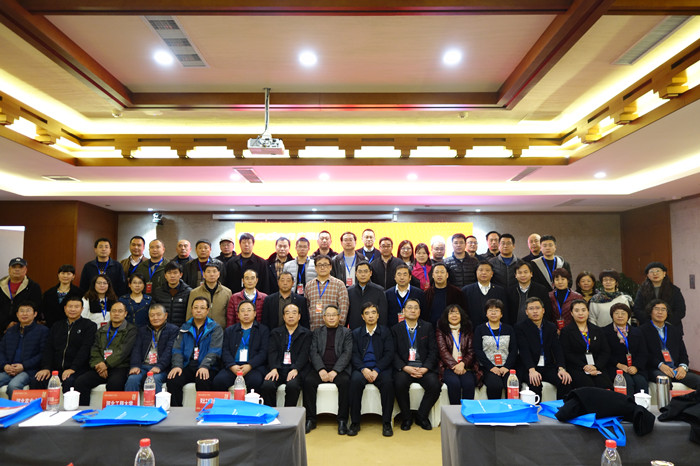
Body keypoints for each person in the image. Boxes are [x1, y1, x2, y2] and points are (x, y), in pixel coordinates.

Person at [74, 301, 137, 406]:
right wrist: (98, 363)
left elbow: (123, 352)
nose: (116, 314)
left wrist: (106, 364)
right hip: (101, 367)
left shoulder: (131, 330)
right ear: (110, 313)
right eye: (114, 311)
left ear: (125, 314)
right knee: (81, 382)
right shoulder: (102, 330)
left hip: (120, 367)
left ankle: (113, 413)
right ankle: (84, 411)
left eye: (120, 311)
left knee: (115, 384)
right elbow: (94, 349)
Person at [303, 304, 353, 434]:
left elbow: (347, 353)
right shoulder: (317, 332)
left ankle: (342, 420)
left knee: (346, 382)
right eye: (328, 315)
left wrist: (335, 371)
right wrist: (321, 369)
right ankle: (310, 419)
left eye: (334, 315)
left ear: (339, 317)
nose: (331, 318)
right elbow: (313, 352)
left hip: (339, 370)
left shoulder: (346, 332)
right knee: (308, 381)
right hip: (321, 369)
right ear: (324, 317)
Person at [392, 298, 440, 430]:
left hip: (423, 367)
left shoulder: (427, 327)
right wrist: (405, 367)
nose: (412, 310)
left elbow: (433, 351)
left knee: (435, 385)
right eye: (409, 307)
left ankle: (421, 416)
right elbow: (393, 353)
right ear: (403, 311)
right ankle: (406, 418)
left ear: (419, 311)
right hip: (405, 367)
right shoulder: (396, 329)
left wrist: (425, 368)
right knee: (399, 383)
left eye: (415, 308)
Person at [348, 303, 395, 437]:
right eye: (367, 313)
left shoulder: (385, 332)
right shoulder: (356, 333)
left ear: (378, 315)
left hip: (380, 369)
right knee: (354, 382)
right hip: (362, 369)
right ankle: (355, 422)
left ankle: (386, 422)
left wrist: (377, 369)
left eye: (373, 312)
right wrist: (363, 369)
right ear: (362, 317)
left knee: (388, 383)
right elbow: (354, 354)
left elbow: (389, 354)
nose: (370, 316)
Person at [167, 296, 223, 407]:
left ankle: (205, 411)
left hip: (208, 367)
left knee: (203, 378)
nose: (198, 310)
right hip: (188, 365)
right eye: (196, 307)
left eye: (202, 308)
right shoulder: (185, 327)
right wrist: (177, 366)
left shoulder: (215, 328)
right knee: (173, 379)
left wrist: (205, 366)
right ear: (191, 309)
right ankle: (176, 412)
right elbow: (177, 349)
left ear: (207, 310)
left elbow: (215, 350)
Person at [32, 295, 96, 392]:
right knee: (37, 380)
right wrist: (46, 368)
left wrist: (73, 368)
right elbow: (49, 348)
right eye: (70, 306)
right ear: (65, 308)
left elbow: (85, 349)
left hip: (78, 369)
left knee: (69, 382)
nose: (73, 309)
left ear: (82, 309)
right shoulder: (57, 326)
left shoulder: (89, 326)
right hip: (55, 370)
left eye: (76, 307)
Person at [515, 297, 572, 400]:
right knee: (535, 383)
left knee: (565, 381)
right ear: (526, 312)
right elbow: (524, 350)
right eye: (531, 309)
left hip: (547, 366)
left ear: (543, 310)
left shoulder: (551, 327)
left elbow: (557, 349)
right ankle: (535, 410)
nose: (535, 311)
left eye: (537, 308)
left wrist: (561, 368)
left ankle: (561, 408)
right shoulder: (520, 327)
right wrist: (531, 370)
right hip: (528, 367)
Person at [213, 300, 270, 395]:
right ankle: (224, 405)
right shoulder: (229, 330)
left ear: (255, 313)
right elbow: (225, 351)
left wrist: (250, 365)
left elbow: (263, 352)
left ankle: (252, 405)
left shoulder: (263, 330)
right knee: (219, 381)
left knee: (255, 381)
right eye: (242, 311)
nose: (246, 313)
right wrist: (232, 366)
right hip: (233, 367)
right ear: (238, 315)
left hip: (253, 367)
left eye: (249, 310)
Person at [640, 299, 700, 389]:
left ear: (667, 313)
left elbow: (683, 354)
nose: (660, 312)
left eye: (663, 309)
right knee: (664, 380)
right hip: (655, 368)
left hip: (675, 369)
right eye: (656, 309)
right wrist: (660, 365)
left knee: (698, 380)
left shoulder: (674, 330)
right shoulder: (642, 330)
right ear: (650, 312)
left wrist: (682, 367)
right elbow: (644, 354)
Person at [260, 303, 311, 407]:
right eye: (287, 313)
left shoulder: (306, 334)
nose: (290, 316)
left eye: (294, 313)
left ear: (299, 316)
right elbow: (272, 352)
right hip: (278, 368)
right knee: (267, 385)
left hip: (296, 369)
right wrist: (274, 368)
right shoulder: (275, 332)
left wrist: (296, 369)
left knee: (293, 386)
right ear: (283, 316)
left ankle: (288, 413)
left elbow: (304, 354)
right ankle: (272, 412)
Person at [125, 303, 179, 394]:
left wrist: (159, 366)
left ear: (165, 315)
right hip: (143, 366)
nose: (155, 318)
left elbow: (169, 350)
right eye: (152, 315)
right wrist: (135, 365)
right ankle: (130, 403)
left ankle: (155, 403)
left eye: (158, 314)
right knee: (132, 379)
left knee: (154, 379)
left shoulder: (173, 330)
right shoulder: (142, 330)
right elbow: (136, 349)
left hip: (162, 368)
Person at [559, 299, 612, 389]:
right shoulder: (566, 331)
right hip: (577, 367)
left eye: (583, 310)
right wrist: (584, 366)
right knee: (588, 386)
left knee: (605, 385)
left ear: (588, 312)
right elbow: (567, 353)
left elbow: (605, 351)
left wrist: (596, 366)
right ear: (571, 313)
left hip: (596, 366)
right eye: (576, 311)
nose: (580, 313)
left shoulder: (597, 330)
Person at [0, 302, 49, 398]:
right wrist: (5, 365)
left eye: (28, 311)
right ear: (17, 314)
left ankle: (17, 408)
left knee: (13, 386)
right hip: (9, 369)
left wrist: (23, 366)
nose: (24, 314)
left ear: (35, 314)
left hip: (29, 370)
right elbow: (1, 351)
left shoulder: (42, 331)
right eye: (21, 311)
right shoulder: (11, 331)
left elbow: (43, 354)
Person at [435, 304, 481, 404]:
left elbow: (471, 351)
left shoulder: (468, 329)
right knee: (454, 383)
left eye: (457, 313)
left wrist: (462, 364)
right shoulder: (441, 330)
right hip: (448, 367)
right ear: (446, 316)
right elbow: (443, 351)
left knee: (469, 383)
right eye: (451, 313)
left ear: (461, 315)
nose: (454, 315)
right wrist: (455, 366)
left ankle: (467, 411)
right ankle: (455, 412)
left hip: (466, 366)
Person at [473, 299, 518, 399]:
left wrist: (506, 367)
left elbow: (514, 350)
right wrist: (491, 367)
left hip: (506, 367)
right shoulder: (480, 329)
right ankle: (495, 408)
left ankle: (511, 408)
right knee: (495, 385)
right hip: (487, 367)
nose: (493, 313)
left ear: (501, 314)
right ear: (486, 314)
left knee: (511, 384)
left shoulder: (509, 329)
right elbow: (478, 350)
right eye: (490, 310)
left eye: (496, 310)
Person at [603, 303, 648, 395]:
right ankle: (627, 404)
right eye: (616, 313)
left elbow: (643, 353)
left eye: (623, 313)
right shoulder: (604, 332)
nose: (620, 316)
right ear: (612, 315)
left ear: (628, 316)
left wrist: (636, 367)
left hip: (634, 367)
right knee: (627, 382)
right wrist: (618, 365)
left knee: (640, 381)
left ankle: (641, 404)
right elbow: (604, 352)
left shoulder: (637, 331)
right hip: (614, 367)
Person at [633, 262, 686, 333]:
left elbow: (680, 310)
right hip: (648, 328)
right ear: (648, 275)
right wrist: (652, 323)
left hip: (671, 327)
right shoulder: (642, 290)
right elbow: (637, 309)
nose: (655, 274)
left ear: (664, 273)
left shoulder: (674, 290)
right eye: (652, 272)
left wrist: (665, 323)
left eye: (658, 271)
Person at [305, 255, 349, 331]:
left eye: (325, 265)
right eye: (319, 265)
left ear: (330, 267)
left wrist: (339, 327)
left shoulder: (339, 284)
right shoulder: (309, 285)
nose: (322, 268)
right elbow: (306, 307)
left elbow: (343, 308)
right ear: (315, 268)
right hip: (313, 329)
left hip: (334, 330)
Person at [461, 261, 508, 328]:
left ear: (492, 273)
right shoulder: (466, 290)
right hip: (472, 328)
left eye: (487, 270)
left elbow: (504, 313)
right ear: (476, 272)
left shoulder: (500, 291)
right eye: (481, 270)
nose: (484, 272)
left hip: (495, 329)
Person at [0, 257, 42, 331]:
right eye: (14, 267)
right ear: (9, 270)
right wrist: (6, 324)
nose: (17, 269)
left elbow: (36, 308)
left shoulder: (33, 287)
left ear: (25, 270)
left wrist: (18, 325)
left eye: (20, 267)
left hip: (25, 328)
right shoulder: (1, 285)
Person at [506, 260, 553, 326]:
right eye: (520, 273)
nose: (523, 275)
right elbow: (507, 312)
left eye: (525, 272)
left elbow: (547, 310)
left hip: (536, 327)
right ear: (515, 275)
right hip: (515, 327)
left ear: (531, 274)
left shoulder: (541, 289)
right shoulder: (510, 291)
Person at [187, 263, 232, 329]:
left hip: (220, 330)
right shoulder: (194, 292)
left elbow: (229, 315)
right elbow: (189, 314)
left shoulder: (227, 292)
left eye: (214, 271)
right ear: (203, 274)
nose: (212, 274)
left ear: (219, 274)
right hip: (199, 330)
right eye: (208, 272)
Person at [347, 261, 388, 330]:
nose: (363, 274)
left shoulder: (379, 291)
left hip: (374, 331)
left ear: (370, 273)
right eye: (360, 272)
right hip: (354, 331)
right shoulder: (349, 291)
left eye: (365, 271)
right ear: (356, 274)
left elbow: (383, 315)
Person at [423, 263, 467, 327]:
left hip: (451, 328)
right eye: (437, 272)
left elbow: (463, 313)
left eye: (442, 272)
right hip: (431, 328)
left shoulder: (457, 293)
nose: (439, 275)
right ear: (432, 275)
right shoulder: (426, 294)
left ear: (447, 275)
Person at [151, 262, 192, 327]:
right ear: (165, 275)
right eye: (169, 273)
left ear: (181, 275)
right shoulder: (158, 292)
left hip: (182, 328)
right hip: (163, 328)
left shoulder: (188, 292)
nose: (172, 276)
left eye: (175, 273)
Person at [40, 264, 82, 328]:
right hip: (51, 326)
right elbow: (44, 309)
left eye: (68, 274)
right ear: (58, 275)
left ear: (73, 276)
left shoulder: (79, 293)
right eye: (63, 273)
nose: (65, 276)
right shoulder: (49, 293)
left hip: (72, 326)